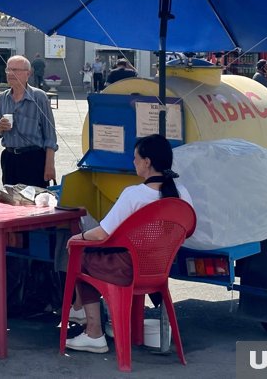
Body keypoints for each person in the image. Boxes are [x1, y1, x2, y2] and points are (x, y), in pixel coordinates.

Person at [65, 134, 194, 354]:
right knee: (87, 254)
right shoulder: (182, 194)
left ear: (147, 162)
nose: (133, 162)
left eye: (135, 158)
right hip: (159, 271)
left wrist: (77, 237)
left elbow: (101, 234)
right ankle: (80, 310)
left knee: (81, 256)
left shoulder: (134, 194)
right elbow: (188, 231)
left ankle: (93, 331)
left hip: (127, 270)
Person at [0, 55, 58, 188]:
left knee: (34, 204)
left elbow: (50, 135)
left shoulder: (39, 97)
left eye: (15, 70)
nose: (10, 74)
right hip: (9, 159)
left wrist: (49, 165)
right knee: (10, 204)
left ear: (27, 74)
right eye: (8, 70)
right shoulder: (4, 97)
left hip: (33, 159)